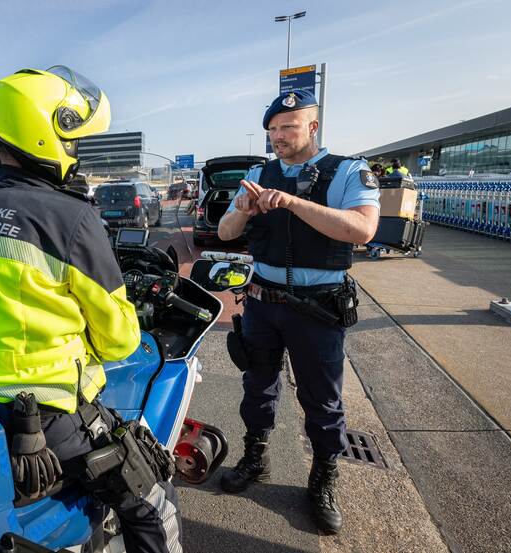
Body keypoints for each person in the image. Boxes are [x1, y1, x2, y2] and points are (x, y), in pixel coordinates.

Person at [0, 65, 182, 553]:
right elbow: (119, 340)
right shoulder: (71, 219)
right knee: (153, 498)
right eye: (75, 140)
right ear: (48, 133)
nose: (76, 153)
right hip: (48, 419)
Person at [216, 89, 380, 535]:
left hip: (318, 308)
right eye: (272, 129)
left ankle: (324, 476)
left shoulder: (348, 171)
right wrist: (244, 211)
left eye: (288, 126)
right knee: (257, 384)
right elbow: (225, 230)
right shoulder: (256, 173)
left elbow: (363, 230)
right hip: (263, 304)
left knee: (322, 399)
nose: (278, 137)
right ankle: (256, 456)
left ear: (312, 126)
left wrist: (290, 202)